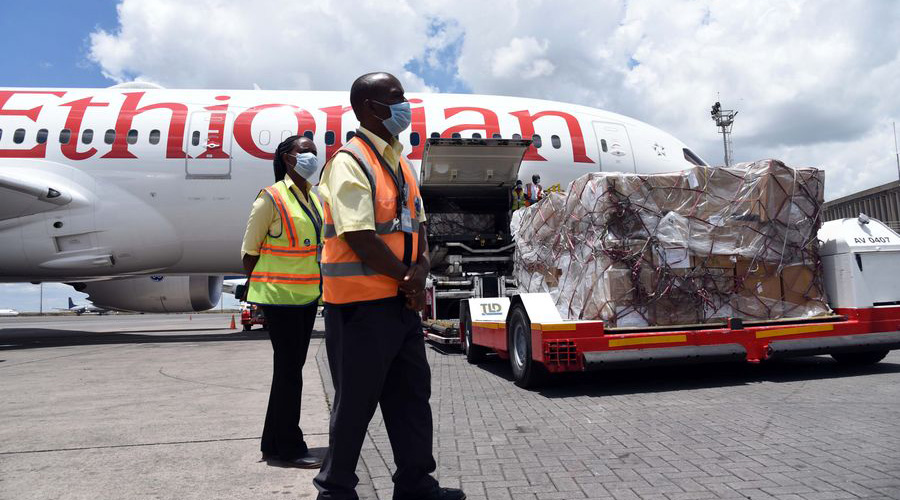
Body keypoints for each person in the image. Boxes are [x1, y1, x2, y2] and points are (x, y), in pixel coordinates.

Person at [313, 72, 465, 500]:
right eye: (396, 98)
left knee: (412, 399)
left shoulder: (400, 162)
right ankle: (335, 490)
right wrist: (407, 277)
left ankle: (416, 485)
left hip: (400, 305)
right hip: (360, 309)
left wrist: (419, 273)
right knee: (355, 407)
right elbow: (358, 236)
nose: (406, 106)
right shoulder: (350, 161)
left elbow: (416, 226)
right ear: (368, 108)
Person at [241, 135, 324, 469]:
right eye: (305, 153)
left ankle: (273, 443)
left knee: (288, 372)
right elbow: (249, 254)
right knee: (291, 373)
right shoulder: (271, 198)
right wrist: (267, 288)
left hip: (305, 297)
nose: (312, 158)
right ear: (288, 158)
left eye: (314, 153)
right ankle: (289, 447)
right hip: (280, 298)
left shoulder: (313, 199)